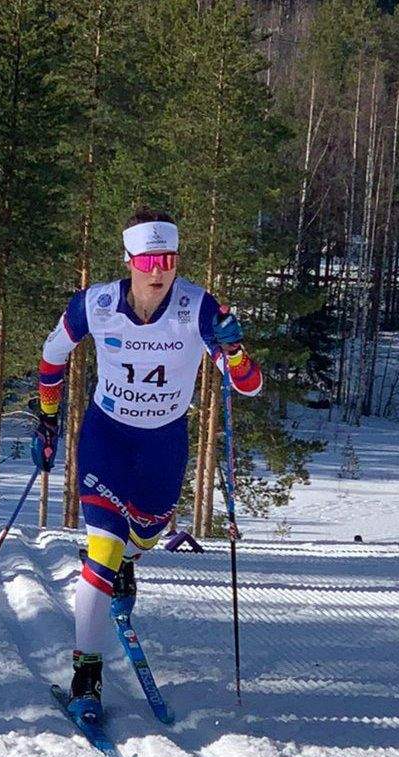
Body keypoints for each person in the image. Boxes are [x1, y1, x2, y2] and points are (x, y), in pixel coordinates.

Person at [34, 208, 262, 721]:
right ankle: (86, 679)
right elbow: (52, 355)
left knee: (146, 535)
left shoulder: (199, 307)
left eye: (169, 260)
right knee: (102, 552)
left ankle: (131, 562)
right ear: (129, 260)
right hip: (106, 439)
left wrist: (235, 350)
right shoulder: (95, 304)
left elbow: (248, 385)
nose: (159, 271)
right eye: (149, 260)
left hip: (164, 443)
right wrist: (47, 419)